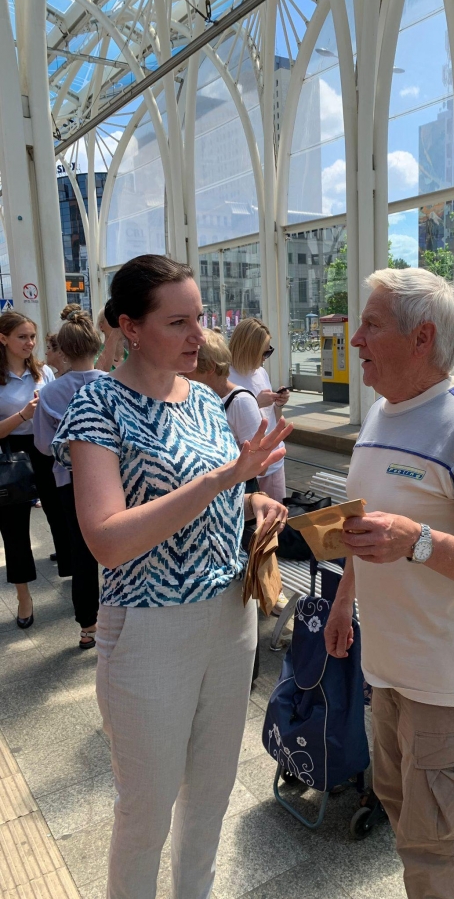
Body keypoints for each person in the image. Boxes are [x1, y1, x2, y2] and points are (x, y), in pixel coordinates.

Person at [52, 254, 292, 898]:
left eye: (200, 318)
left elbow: (211, 494)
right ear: (130, 327)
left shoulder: (207, 403)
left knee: (211, 796)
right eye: (178, 322)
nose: (198, 336)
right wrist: (223, 479)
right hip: (149, 626)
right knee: (147, 809)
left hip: (231, 616)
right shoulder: (98, 404)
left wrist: (249, 501)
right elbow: (107, 540)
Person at [324, 268, 454, 899]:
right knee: (404, 820)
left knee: (438, 847)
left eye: (371, 324)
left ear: (421, 339)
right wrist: (343, 600)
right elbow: (367, 524)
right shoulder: (380, 413)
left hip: (445, 684)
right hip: (386, 671)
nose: (355, 339)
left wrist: (419, 540)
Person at [186, 330, 290, 617]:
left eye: (189, 370)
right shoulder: (208, 397)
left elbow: (259, 462)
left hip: (241, 491)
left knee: (252, 552)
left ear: (208, 368)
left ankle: (270, 599)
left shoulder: (239, 401)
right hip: (228, 491)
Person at [34, 309, 106, 649]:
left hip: (70, 481)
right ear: (96, 345)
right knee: (124, 545)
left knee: (81, 552)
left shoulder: (50, 394)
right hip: (113, 479)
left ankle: (88, 625)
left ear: (62, 350)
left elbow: (42, 445)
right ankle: (125, 617)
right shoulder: (111, 385)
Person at [0, 312, 72, 628]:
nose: (30, 343)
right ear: (3, 338)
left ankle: (75, 579)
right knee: (14, 530)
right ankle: (23, 597)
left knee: (62, 516)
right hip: (9, 455)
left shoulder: (43, 372)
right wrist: (23, 415)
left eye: (32, 336)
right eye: (22, 337)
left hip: (45, 449)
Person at [229, 317, 290, 502]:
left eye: (269, 351)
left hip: (273, 460)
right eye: (264, 353)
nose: (265, 358)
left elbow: (272, 417)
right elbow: (225, 417)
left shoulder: (261, 373)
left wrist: (278, 403)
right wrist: (255, 403)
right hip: (244, 466)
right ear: (248, 350)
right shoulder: (226, 376)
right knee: (249, 516)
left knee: (275, 516)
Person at [95, 307, 127, 371]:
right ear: (101, 326)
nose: (119, 323)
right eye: (112, 320)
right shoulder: (95, 355)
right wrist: (115, 335)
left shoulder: (131, 357)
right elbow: (98, 373)